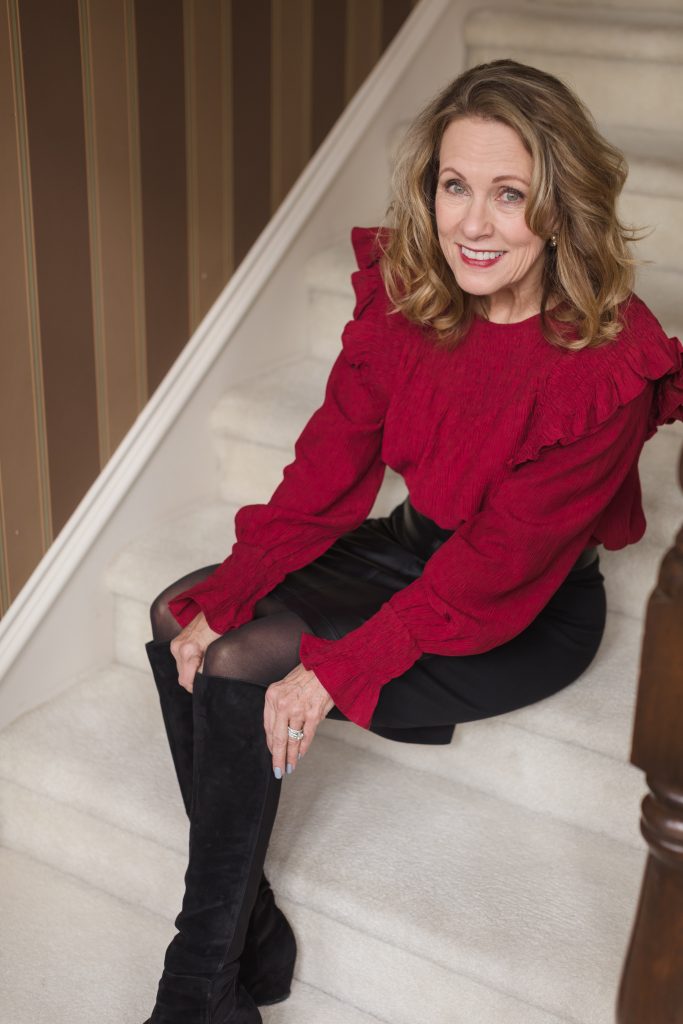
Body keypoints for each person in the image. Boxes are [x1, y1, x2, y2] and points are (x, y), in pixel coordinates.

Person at [141, 58, 683, 1023]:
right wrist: (238, 582)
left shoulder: (603, 362)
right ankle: (247, 933)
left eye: (509, 194)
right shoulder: (407, 295)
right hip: (412, 544)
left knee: (242, 663)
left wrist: (336, 666)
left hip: (526, 605)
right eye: (454, 185)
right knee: (184, 614)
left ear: (560, 207)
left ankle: (195, 988)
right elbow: (325, 476)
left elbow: (491, 575)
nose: (472, 224)